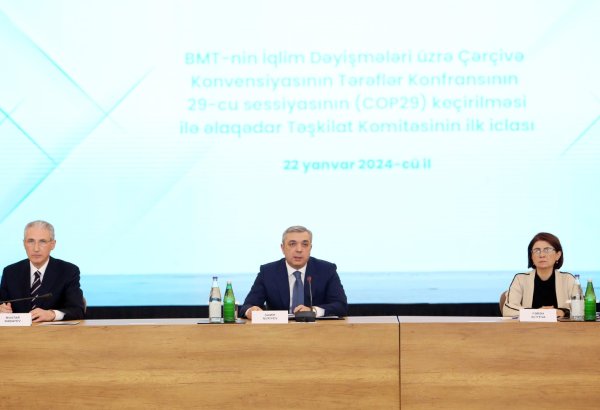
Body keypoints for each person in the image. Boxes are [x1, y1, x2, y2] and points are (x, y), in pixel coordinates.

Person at [241, 226, 348, 319]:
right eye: (292, 244)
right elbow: (247, 306)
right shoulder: (268, 272)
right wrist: (251, 310)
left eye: (305, 244)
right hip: (279, 331)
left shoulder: (326, 270)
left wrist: (313, 311)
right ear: (282, 248)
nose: (299, 249)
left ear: (310, 248)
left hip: (317, 330)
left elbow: (341, 306)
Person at [0, 220, 85, 322]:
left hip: (54, 332)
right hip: (18, 331)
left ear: (52, 244)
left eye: (42, 241)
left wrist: (52, 314)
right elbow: (2, 304)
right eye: (31, 241)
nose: (36, 248)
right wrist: (2, 310)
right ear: (24, 244)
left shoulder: (68, 271)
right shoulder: (10, 272)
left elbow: (78, 310)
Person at [502, 232, 576, 318]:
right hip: (529, 326)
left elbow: (581, 310)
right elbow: (508, 310)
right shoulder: (520, 279)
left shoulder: (568, 279)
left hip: (561, 327)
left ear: (558, 255)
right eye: (537, 250)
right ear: (531, 256)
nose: (542, 255)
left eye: (547, 250)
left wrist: (562, 312)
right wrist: (538, 313)